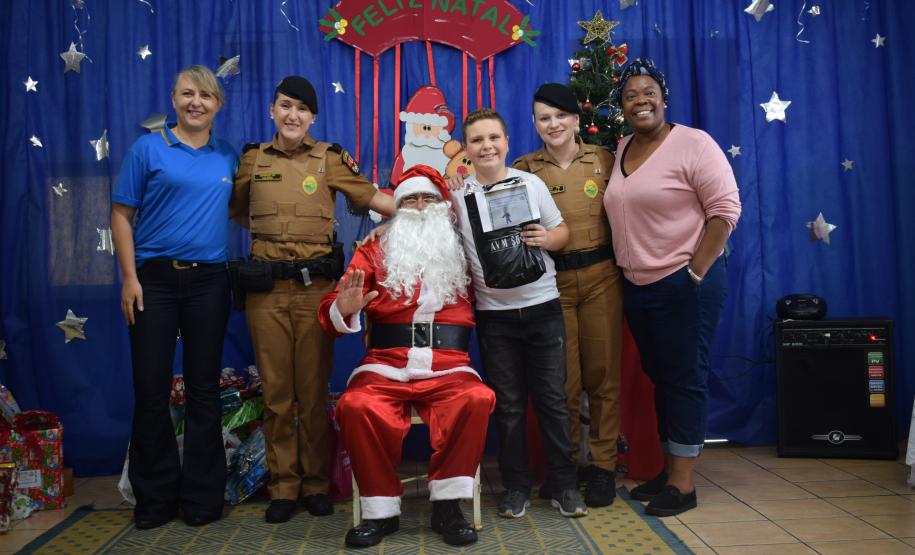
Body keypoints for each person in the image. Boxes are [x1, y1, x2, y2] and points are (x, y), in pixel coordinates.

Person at [230, 76, 395, 524]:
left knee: (313, 392)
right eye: (285, 106)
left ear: (313, 118)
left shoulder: (329, 159)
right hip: (266, 294)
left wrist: (426, 205)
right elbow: (234, 210)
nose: (292, 116)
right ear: (272, 110)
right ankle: (284, 486)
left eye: (302, 109)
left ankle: (316, 484)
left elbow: (374, 198)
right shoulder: (252, 160)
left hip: (314, 292)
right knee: (278, 394)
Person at [318, 165, 495, 548]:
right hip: (385, 364)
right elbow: (331, 312)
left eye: (427, 198)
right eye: (409, 199)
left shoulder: (465, 246)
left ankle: (448, 507)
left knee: (477, 398)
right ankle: (381, 512)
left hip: (449, 366)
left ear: (441, 205)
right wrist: (344, 308)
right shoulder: (375, 247)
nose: (418, 206)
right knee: (355, 405)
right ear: (396, 208)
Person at [604, 59, 741, 516]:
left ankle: (684, 485)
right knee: (664, 379)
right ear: (621, 105)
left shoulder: (694, 143)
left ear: (663, 97)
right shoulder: (622, 146)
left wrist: (695, 274)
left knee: (685, 379)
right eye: (630, 95)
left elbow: (724, 212)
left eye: (648, 92)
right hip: (640, 286)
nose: (640, 100)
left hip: (685, 281)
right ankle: (670, 468)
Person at [111, 64, 236, 529]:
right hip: (154, 283)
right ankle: (155, 500)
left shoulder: (228, 158)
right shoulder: (148, 148)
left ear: (218, 105)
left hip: (210, 282)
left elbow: (249, 211)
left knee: (204, 391)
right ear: (174, 98)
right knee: (151, 389)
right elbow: (122, 215)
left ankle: (203, 499)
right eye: (187, 94)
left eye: (205, 96)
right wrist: (129, 277)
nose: (196, 103)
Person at [452, 108, 588, 519]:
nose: (486, 146)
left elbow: (562, 233)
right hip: (495, 317)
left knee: (552, 400)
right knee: (509, 406)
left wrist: (548, 237)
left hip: (543, 308)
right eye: (477, 140)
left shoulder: (531, 184)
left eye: (493, 137)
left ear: (507, 142)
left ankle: (564, 485)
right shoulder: (458, 197)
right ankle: (515, 487)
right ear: (467, 149)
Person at [512, 83, 623, 508]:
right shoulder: (523, 169)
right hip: (551, 285)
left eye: (561, 115)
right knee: (562, 383)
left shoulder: (605, 160)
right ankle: (567, 467)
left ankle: (602, 468)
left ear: (577, 119)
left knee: (603, 378)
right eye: (544, 117)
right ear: (536, 125)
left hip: (601, 279)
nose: (553, 124)